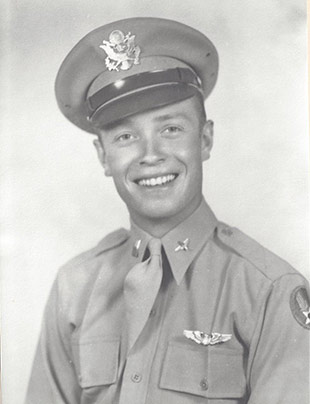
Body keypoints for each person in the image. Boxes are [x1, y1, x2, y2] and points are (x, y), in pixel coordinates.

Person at [26, 17, 309, 404]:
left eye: (171, 129)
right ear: (103, 156)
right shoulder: (74, 288)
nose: (151, 155)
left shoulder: (269, 291)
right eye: (126, 136)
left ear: (205, 139)